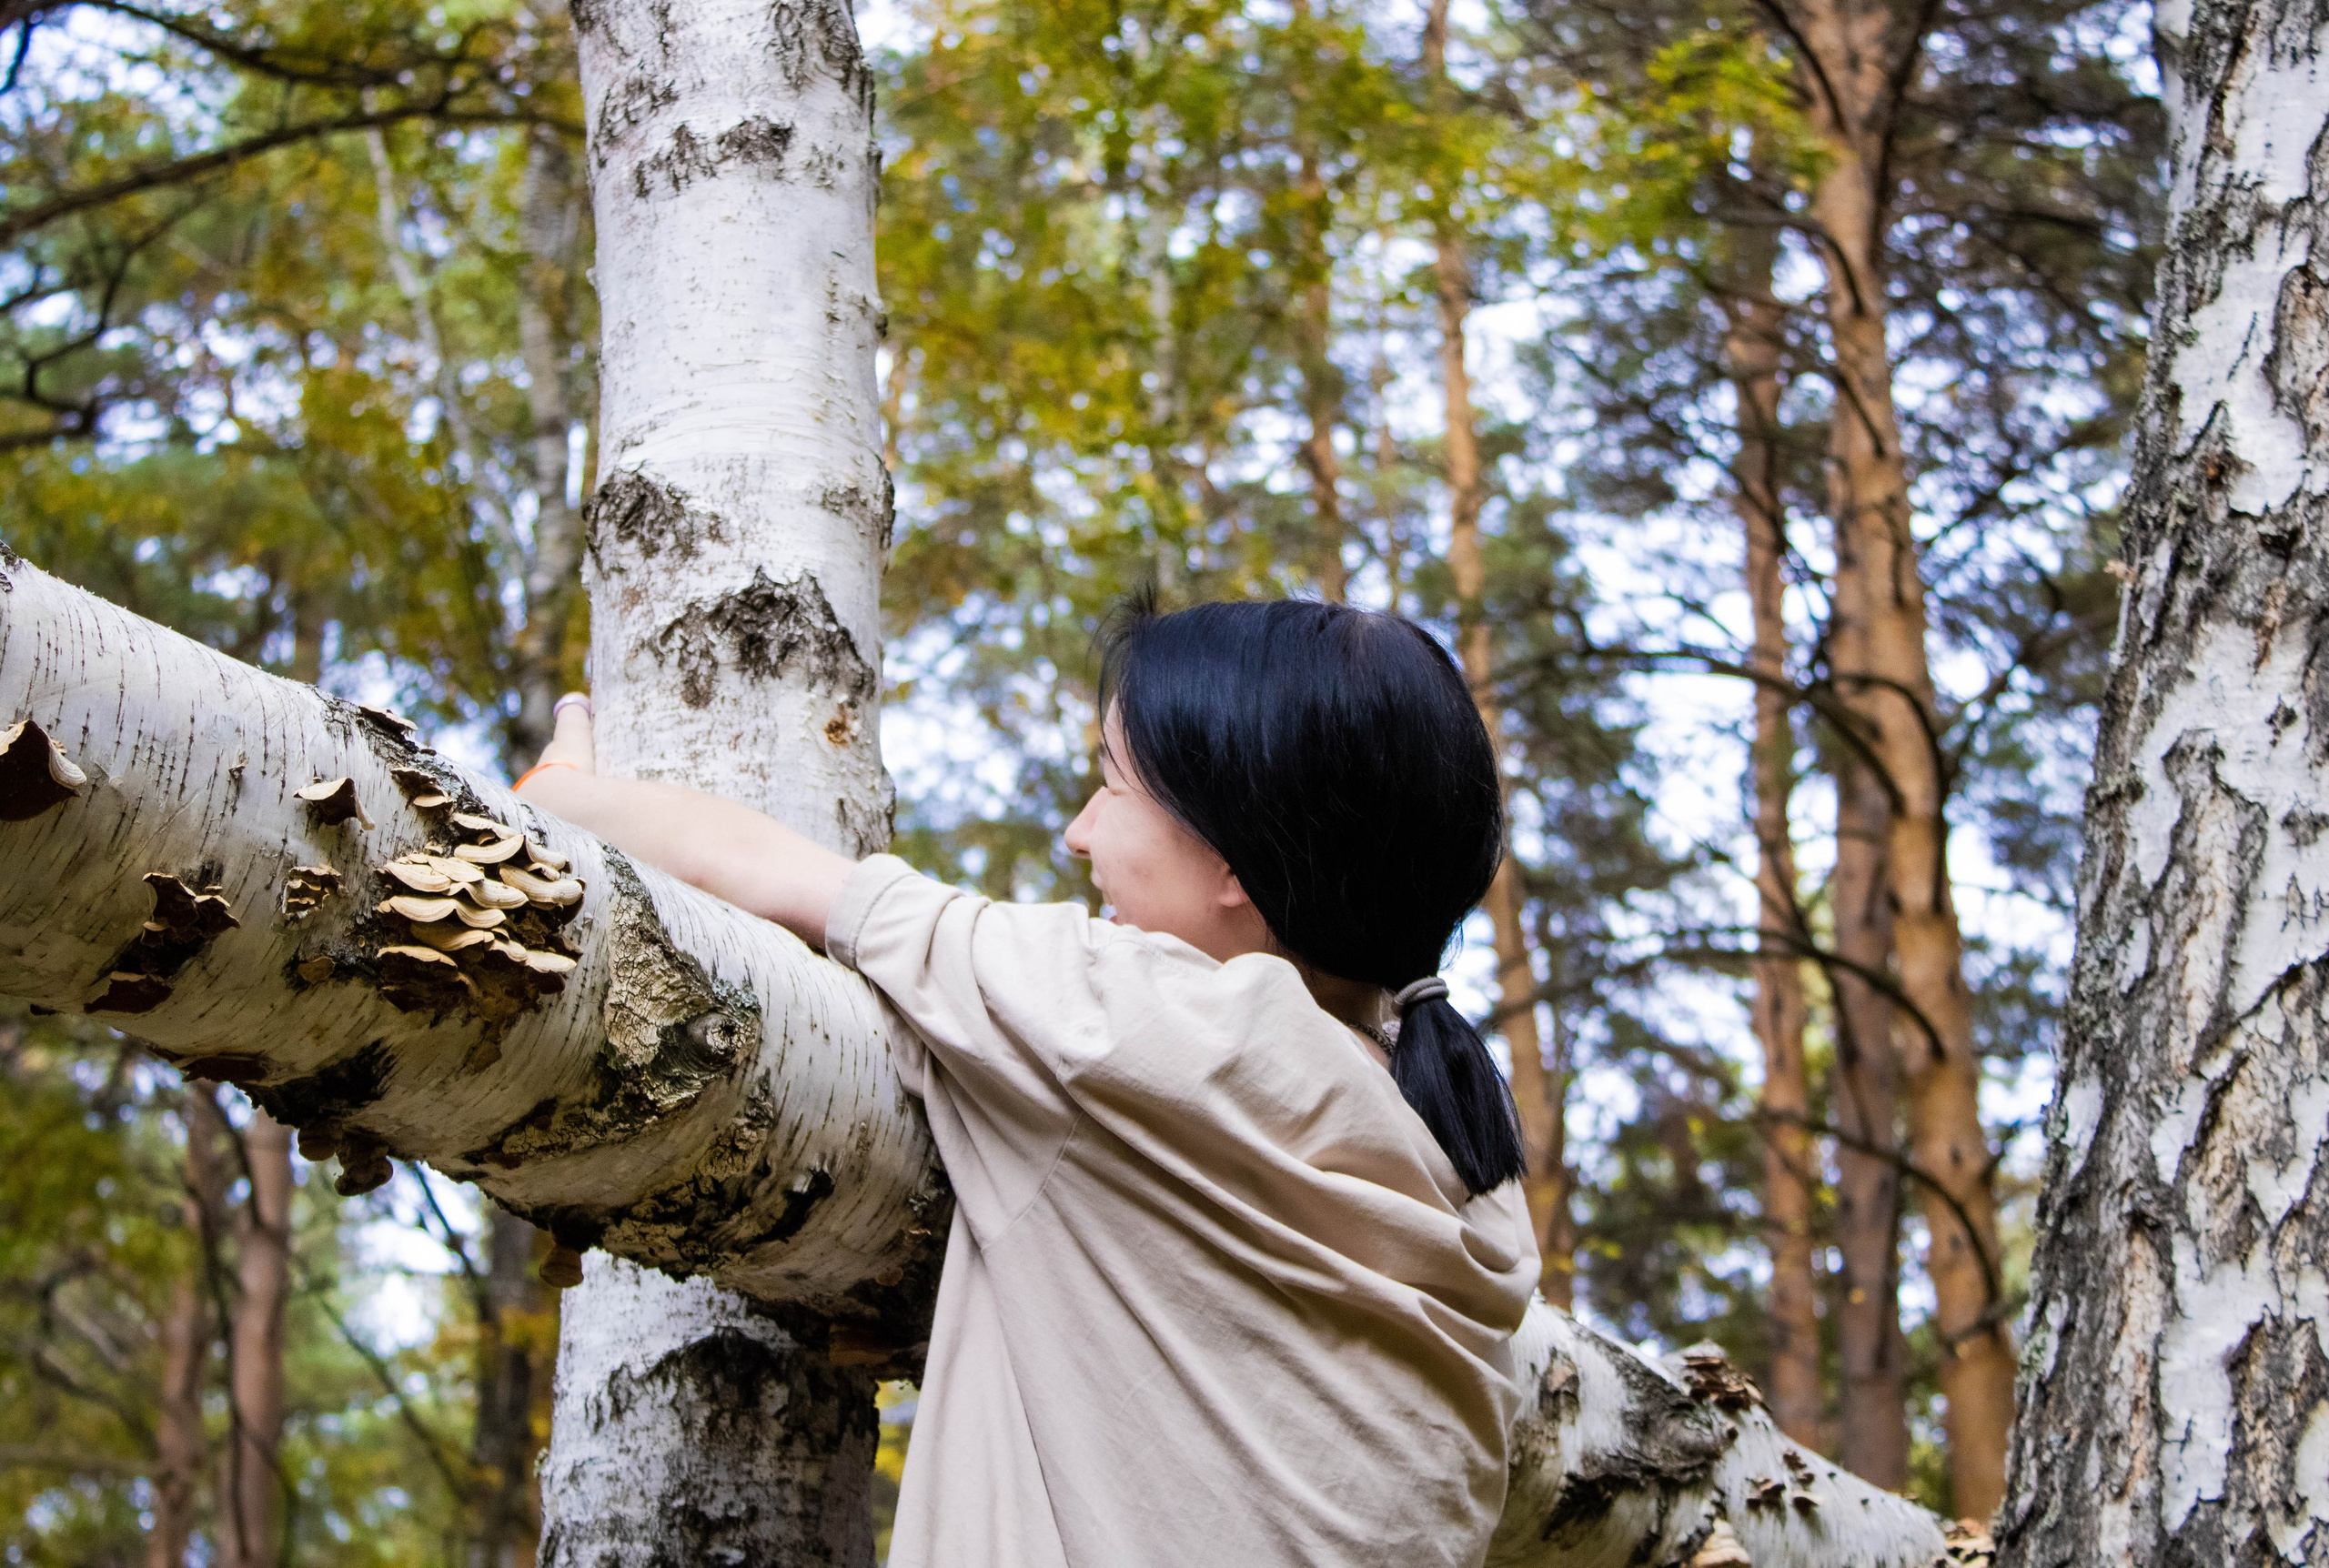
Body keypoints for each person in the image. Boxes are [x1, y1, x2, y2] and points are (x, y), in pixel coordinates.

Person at [516, 597, 1539, 1568]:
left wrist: (563, 796)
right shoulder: (1464, 1165)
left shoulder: (1135, 1023)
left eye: (1113, 783)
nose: (1079, 830)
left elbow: (777, 877)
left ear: (1234, 858)